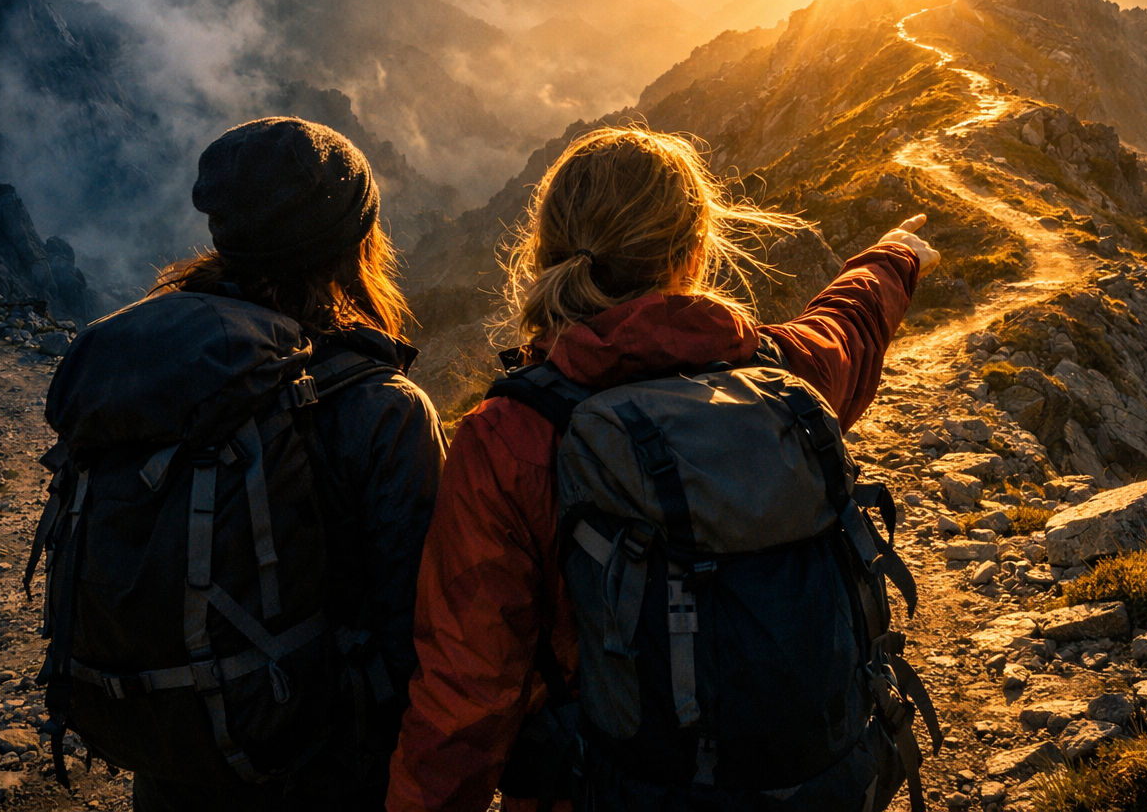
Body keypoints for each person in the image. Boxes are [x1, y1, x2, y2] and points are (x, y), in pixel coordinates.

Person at [386, 125, 939, 812]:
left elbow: (466, 691)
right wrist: (896, 257)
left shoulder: (510, 435)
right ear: (695, 253)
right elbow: (846, 331)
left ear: (545, 253)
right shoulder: (773, 375)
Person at [36, 117, 444, 812]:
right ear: (356, 244)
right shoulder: (383, 408)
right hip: (321, 770)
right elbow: (421, 638)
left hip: (179, 758)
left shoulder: (155, 374)